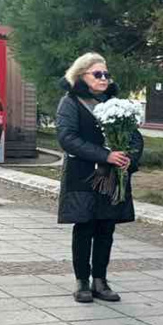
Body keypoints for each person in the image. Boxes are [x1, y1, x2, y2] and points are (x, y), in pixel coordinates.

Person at [56, 53, 144, 304]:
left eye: (106, 74)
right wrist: (106, 155)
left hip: (113, 176)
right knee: (84, 226)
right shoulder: (71, 102)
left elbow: (135, 137)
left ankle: (100, 280)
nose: (104, 78)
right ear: (81, 75)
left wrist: (129, 158)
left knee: (106, 226)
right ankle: (82, 281)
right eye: (97, 74)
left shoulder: (116, 102)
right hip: (83, 175)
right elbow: (67, 138)